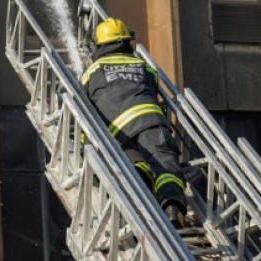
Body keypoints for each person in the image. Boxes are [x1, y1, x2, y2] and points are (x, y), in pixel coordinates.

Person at [80, 17, 188, 227]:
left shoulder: (91, 72)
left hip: (118, 132)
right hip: (150, 121)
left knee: (136, 164)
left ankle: (141, 199)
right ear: (126, 42)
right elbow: (154, 86)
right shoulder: (144, 66)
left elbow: (83, 112)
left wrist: (85, 146)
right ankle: (172, 208)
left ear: (100, 45)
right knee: (164, 165)